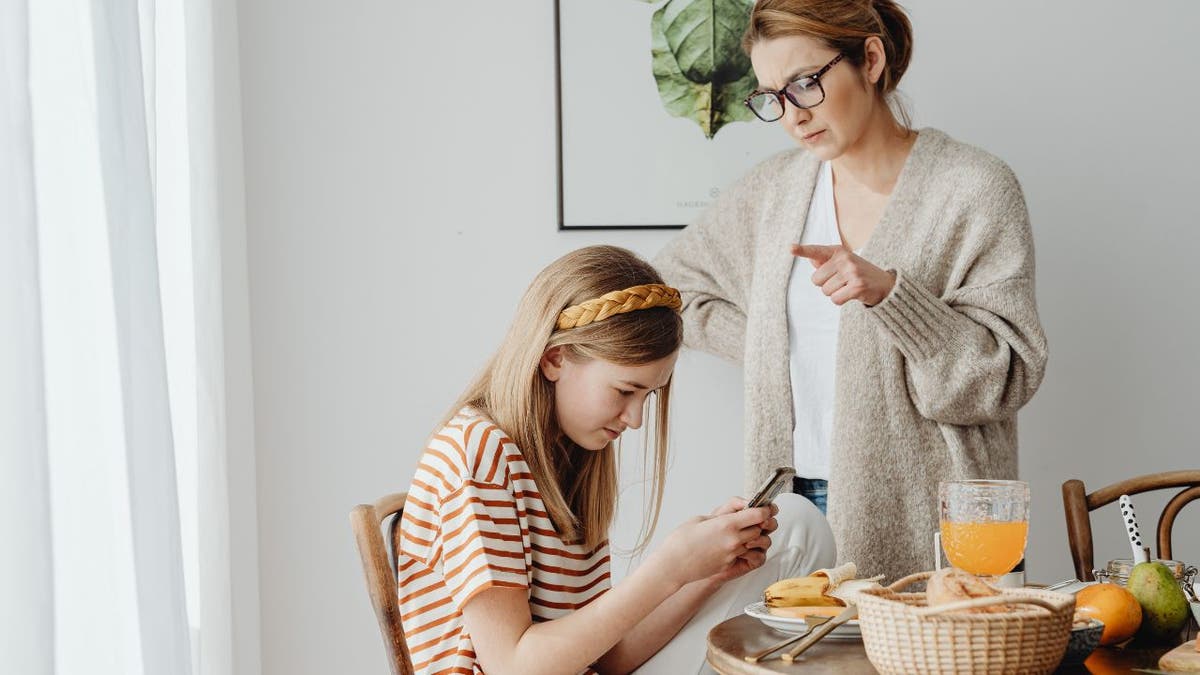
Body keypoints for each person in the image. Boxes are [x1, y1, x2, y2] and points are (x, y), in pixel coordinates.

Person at [654, 0, 1048, 583]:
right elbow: (670, 288)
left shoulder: (973, 188)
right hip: (794, 503)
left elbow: (1003, 379)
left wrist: (893, 297)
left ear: (870, 57)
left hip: (935, 514)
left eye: (805, 83)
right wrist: (775, 344)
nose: (791, 115)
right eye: (771, 96)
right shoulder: (774, 192)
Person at [396, 245, 835, 675]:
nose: (636, 419)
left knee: (796, 523)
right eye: (625, 390)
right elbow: (512, 667)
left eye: (649, 395)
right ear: (555, 359)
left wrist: (704, 574)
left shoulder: (567, 457)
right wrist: (668, 569)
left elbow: (607, 659)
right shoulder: (479, 453)